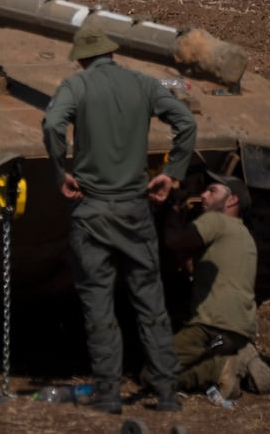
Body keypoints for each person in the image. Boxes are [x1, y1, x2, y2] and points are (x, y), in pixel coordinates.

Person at [42, 21, 198, 414]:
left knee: (98, 302)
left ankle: (109, 393)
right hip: (135, 209)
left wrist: (61, 171)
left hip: (91, 209)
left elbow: (52, 124)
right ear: (111, 53)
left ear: (83, 58)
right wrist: (172, 173)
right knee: (150, 301)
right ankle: (166, 392)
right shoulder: (144, 85)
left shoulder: (76, 86)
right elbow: (186, 122)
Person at [159, 172, 270, 400]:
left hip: (211, 327)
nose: (203, 195)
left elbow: (173, 240)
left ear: (232, 200)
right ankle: (241, 353)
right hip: (242, 328)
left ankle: (219, 371)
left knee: (155, 370)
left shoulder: (215, 220)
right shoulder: (243, 235)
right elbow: (196, 269)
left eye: (212, 191)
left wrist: (172, 206)